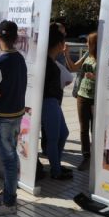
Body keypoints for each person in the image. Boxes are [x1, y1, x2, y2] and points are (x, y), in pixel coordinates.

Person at [0, 20, 27, 215]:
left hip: (3, 117)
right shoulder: (20, 58)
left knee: (8, 159)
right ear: (16, 38)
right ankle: (9, 191)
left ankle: (9, 203)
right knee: (12, 155)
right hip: (17, 114)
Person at [41, 24, 72, 180]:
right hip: (48, 102)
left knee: (63, 134)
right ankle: (56, 171)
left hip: (53, 102)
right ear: (59, 44)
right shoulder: (46, 63)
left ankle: (56, 166)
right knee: (54, 137)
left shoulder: (50, 61)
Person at [67, 32, 97, 171]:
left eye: (88, 42)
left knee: (94, 130)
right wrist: (66, 54)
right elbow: (73, 68)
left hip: (95, 99)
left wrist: (94, 77)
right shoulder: (87, 55)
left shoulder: (104, 57)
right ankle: (86, 157)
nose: (86, 44)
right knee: (84, 129)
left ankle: (96, 159)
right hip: (82, 96)